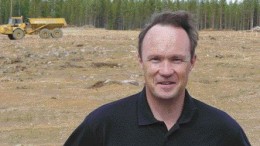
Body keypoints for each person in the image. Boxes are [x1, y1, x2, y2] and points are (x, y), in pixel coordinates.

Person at [64, 10, 251, 146]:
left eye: (176, 59)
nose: (166, 70)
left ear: (192, 62)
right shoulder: (103, 126)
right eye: (155, 59)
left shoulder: (223, 131)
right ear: (140, 61)